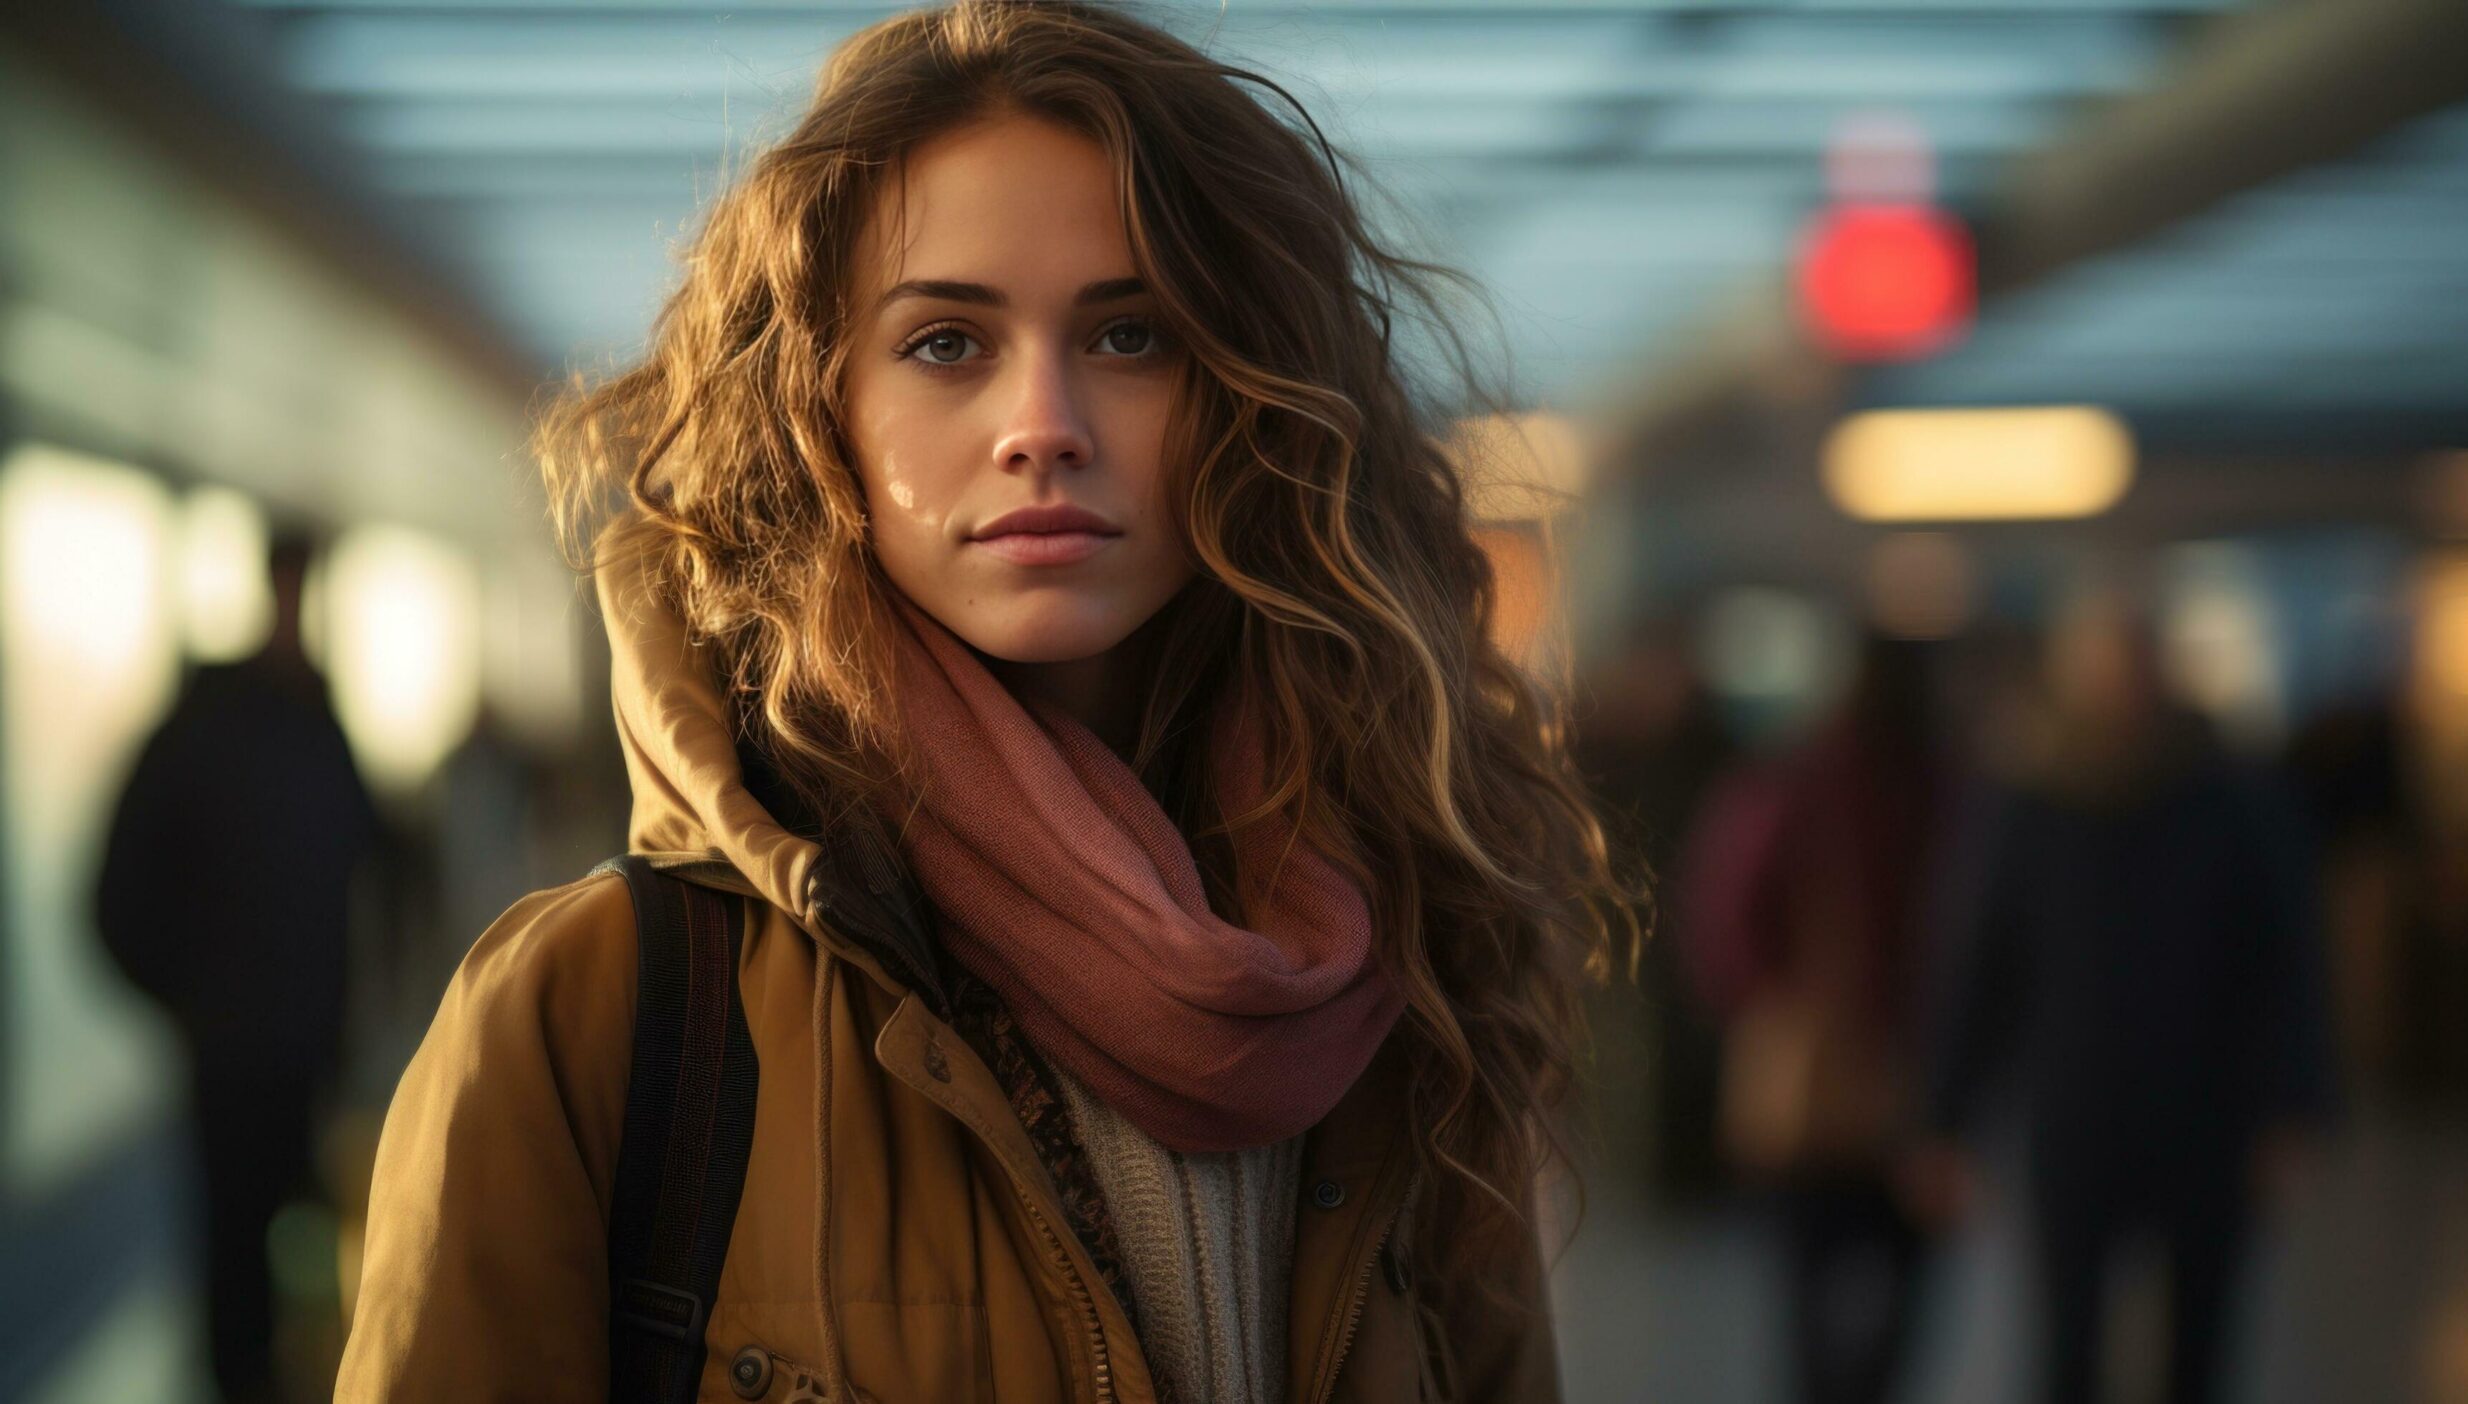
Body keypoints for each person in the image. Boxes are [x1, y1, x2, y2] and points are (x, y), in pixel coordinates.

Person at [334, 4, 1644, 1402]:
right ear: (816, 406)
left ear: (1251, 394)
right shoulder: (595, 1012)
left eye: (1132, 334)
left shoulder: (1397, 969)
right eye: (947, 343)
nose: (1044, 422)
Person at [1915, 594, 2334, 1404]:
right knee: (2068, 1347)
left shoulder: (2230, 795)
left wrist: (2293, 1106)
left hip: (2209, 1112)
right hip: (2075, 1113)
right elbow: (1978, 969)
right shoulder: (2032, 801)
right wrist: (1943, 1120)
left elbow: (2286, 959)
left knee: (2200, 1345)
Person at [96, 527, 380, 1404]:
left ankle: (286, 1374)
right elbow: (117, 896)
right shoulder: (210, 731)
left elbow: (361, 872)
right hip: (233, 1054)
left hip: (303, 1049)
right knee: (235, 1250)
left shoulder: (317, 728)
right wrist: (192, 1003)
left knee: (295, 1241)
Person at [1672, 633, 1946, 1404]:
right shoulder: (1945, 787)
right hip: (1907, 1074)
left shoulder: (1790, 779)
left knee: (1809, 1295)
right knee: (1897, 1288)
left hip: (1818, 1080)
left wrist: (1766, 1005)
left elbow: (1722, 916)